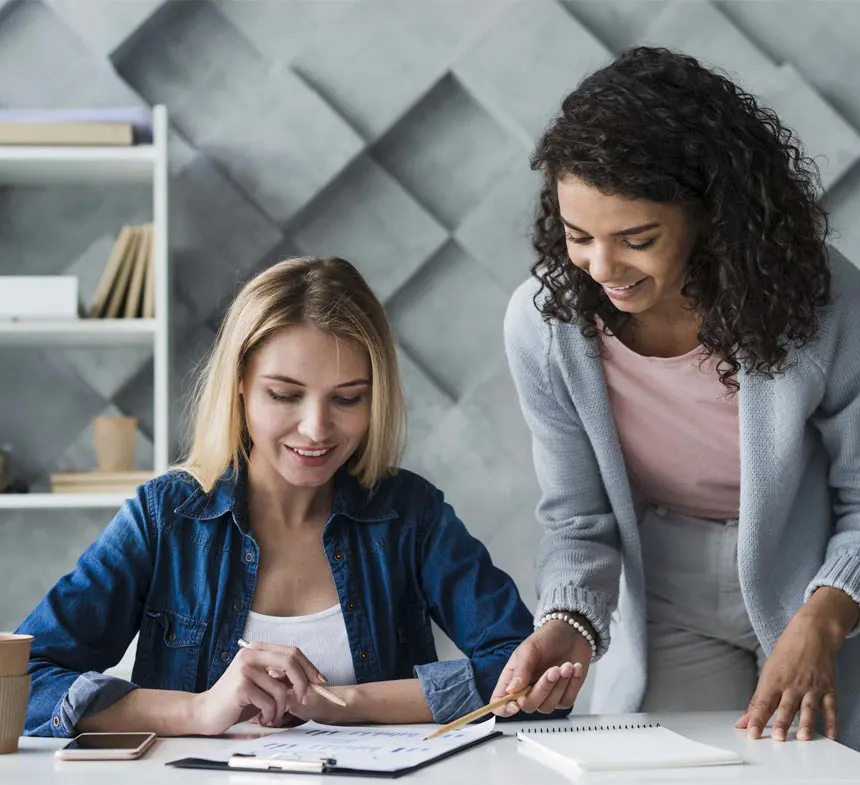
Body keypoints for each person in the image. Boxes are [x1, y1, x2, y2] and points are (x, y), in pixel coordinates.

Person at [491, 46, 860, 750]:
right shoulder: (544, 328)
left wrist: (824, 617)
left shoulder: (822, 302)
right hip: (666, 589)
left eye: (637, 239)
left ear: (709, 215)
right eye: (578, 237)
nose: (603, 268)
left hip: (818, 584)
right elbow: (577, 518)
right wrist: (564, 622)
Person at [18, 256, 543, 737]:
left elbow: (530, 674)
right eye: (285, 394)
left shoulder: (411, 516)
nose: (316, 429)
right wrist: (199, 710)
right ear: (240, 384)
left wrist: (343, 701)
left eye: (347, 398)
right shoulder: (165, 518)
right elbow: (21, 684)